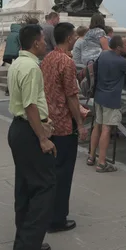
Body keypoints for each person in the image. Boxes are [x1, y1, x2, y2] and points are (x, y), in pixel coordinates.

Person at [7, 24, 56, 250]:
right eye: (43, 40)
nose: (46, 43)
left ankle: (27, 243)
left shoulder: (17, 63)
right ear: (35, 43)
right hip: (29, 130)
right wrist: (43, 138)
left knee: (25, 188)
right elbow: (30, 105)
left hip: (19, 129)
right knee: (45, 188)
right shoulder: (32, 68)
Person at [41, 22, 88, 233]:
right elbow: (71, 96)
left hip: (49, 122)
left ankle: (47, 213)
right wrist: (80, 122)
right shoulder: (66, 62)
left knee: (50, 173)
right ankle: (57, 218)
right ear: (70, 38)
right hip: (64, 125)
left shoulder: (48, 59)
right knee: (63, 174)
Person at [87, 36, 126, 173]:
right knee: (107, 128)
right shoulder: (121, 62)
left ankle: (91, 156)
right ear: (118, 48)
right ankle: (101, 163)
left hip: (99, 95)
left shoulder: (103, 55)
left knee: (97, 125)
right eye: (125, 45)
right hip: (111, 99)